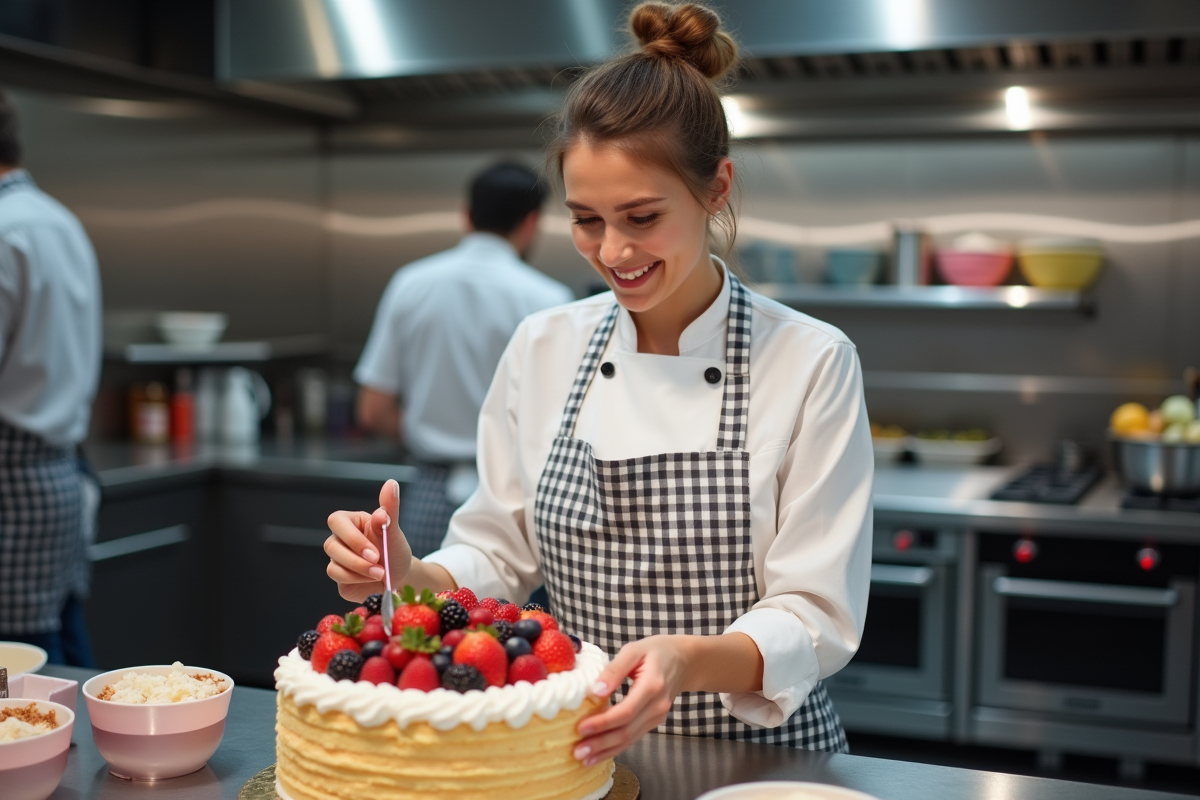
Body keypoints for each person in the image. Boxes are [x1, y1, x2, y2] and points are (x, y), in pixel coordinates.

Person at [326, 2, 872, 762]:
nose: (613, 252)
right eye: (586, 219)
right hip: (582, 750)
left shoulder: (810, 360)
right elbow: (499, 551)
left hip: (764, 757)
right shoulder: (544, 345)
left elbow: (816, 613)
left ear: (717, 189)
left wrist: (686, 662)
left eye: (642, 217)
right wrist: (407, 572)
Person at [355, 162, 573, 557]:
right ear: (531, 223)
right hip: (520, 499)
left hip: (428, 495)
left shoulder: (411, 284)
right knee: (514, 619)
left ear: (467, 215)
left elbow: (373, 410)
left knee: (421, 612)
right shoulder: (550, 301)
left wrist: (431, 433)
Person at [0, 89, 101, 666]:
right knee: (61, 652)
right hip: (59, 472)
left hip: (12, 483)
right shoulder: (56, 219)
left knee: (17, 669)